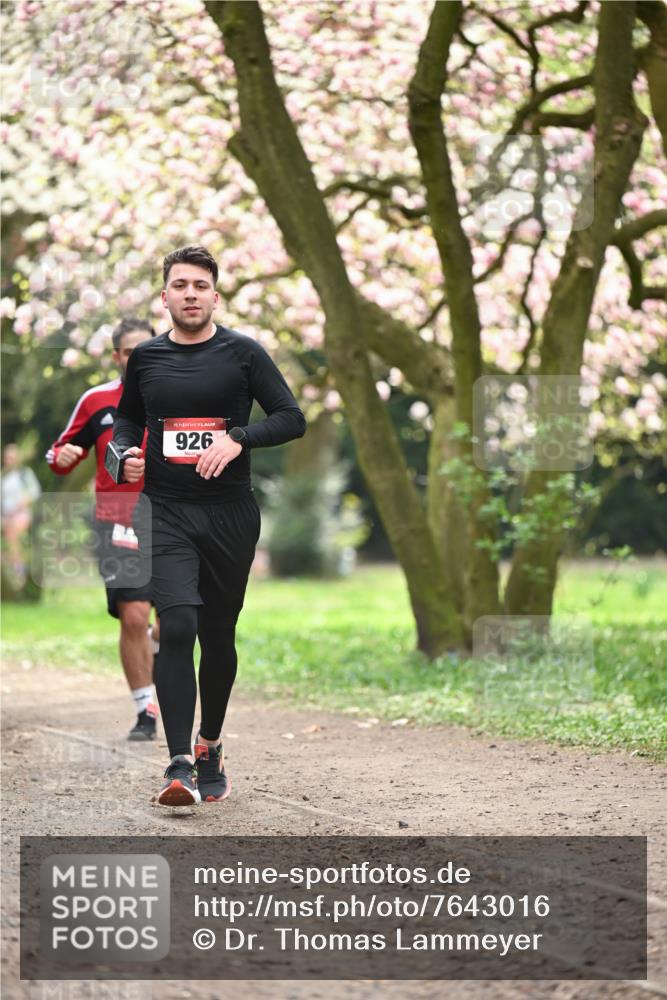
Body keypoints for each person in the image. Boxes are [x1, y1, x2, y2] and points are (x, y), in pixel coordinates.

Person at [113, 245, 306, 806]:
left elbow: (292, 418)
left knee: (218, 635)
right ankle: (178, 766)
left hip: (229, 514)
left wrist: (238, 437)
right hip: (165, 511)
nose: (190, 294)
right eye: (180, 285)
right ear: (165, 296)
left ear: (215, 296)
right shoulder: (146, 359)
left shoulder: (244, 354)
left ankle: (210, 745)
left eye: (200, 285)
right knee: (175, 627)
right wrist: (120, 454)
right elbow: (126, 421)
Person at [46, 318, 160, 741]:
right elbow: (59, 451)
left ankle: (159, 646)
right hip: (117, 515)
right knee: (133, 617)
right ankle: (145, 711)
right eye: (129, 351)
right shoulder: (96, 400)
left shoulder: (176, 395)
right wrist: (61, 456)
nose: (136, 358)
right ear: (117, 357)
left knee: (172, 618)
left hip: (173, 515)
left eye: (144, 349)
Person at [1, 444, 42, 583]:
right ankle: (14, 565)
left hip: (21, 514)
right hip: (5, 515)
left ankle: (19, 569)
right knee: (10, 534)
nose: (8, 460)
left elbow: (35, 492)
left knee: (12, 532)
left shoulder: (25, 473)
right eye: (6, 457)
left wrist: (22, 503)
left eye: (11, 457)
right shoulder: (3, 476)